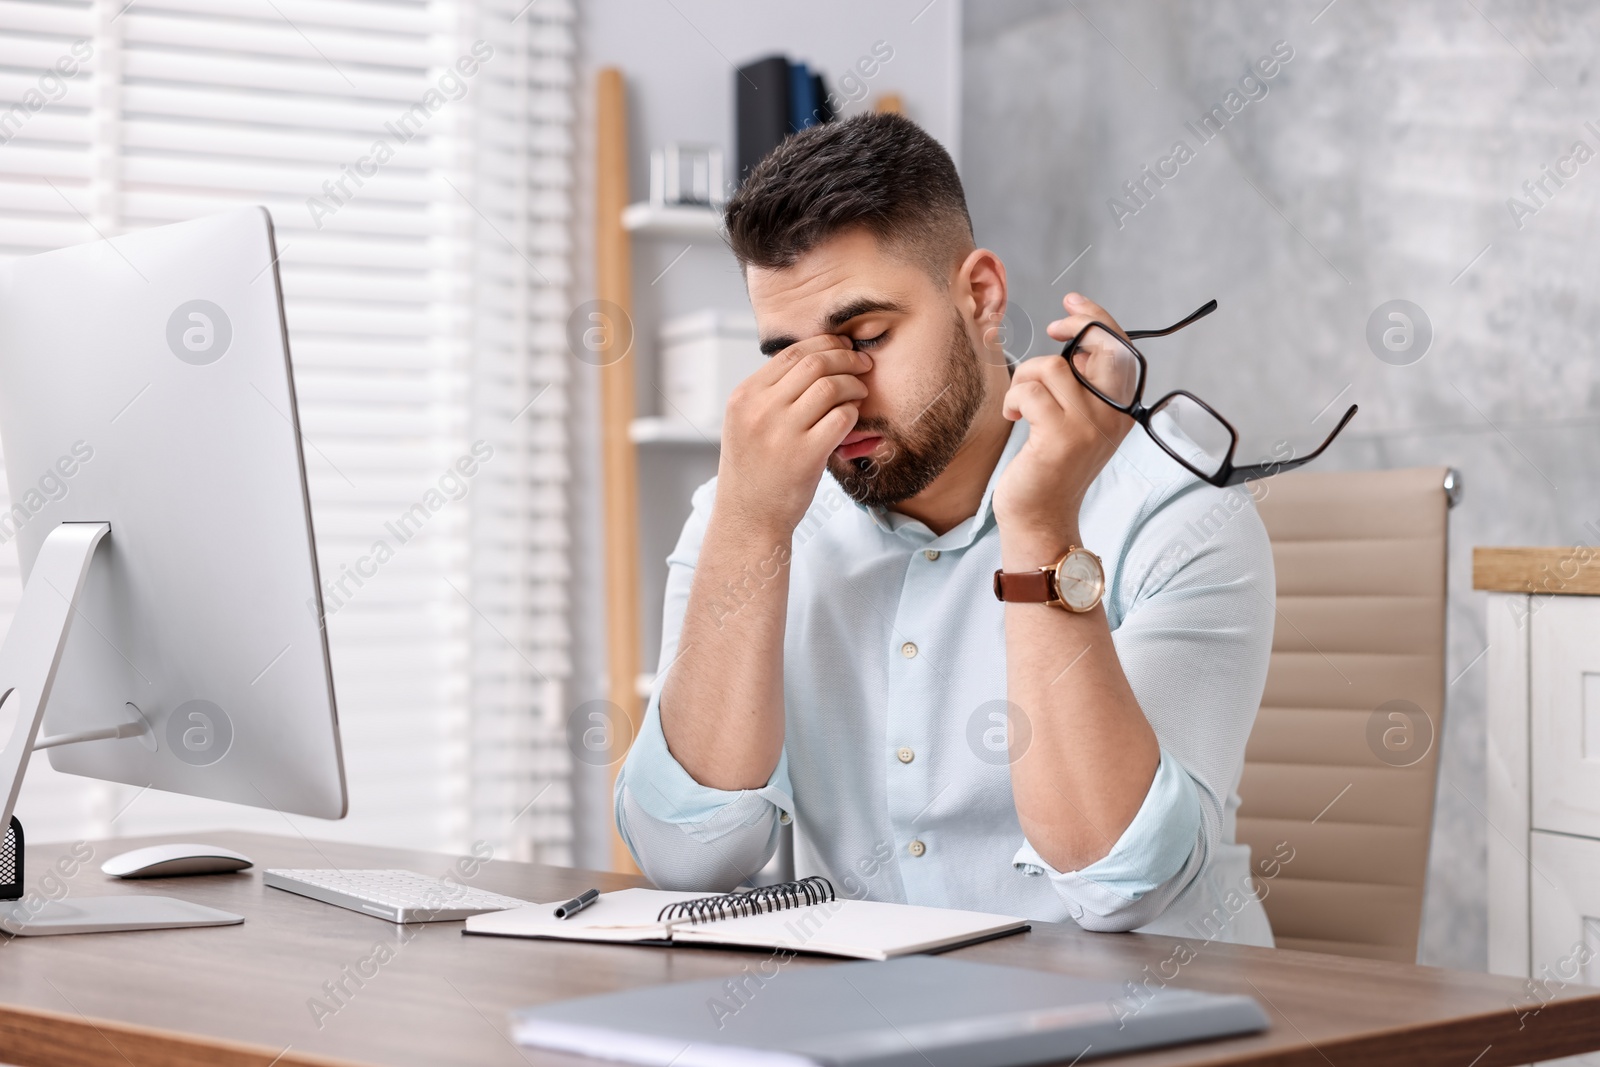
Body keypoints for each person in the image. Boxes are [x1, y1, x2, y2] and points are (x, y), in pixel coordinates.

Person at [614, 112, 1275, 945]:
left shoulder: (1172, 512)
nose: (834, 392)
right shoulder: (747, 512)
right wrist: (750, 529)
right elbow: (685, 858)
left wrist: (1040, 529)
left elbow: (1123, 884)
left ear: (981, 297)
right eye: (787, 357)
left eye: (866, 337)